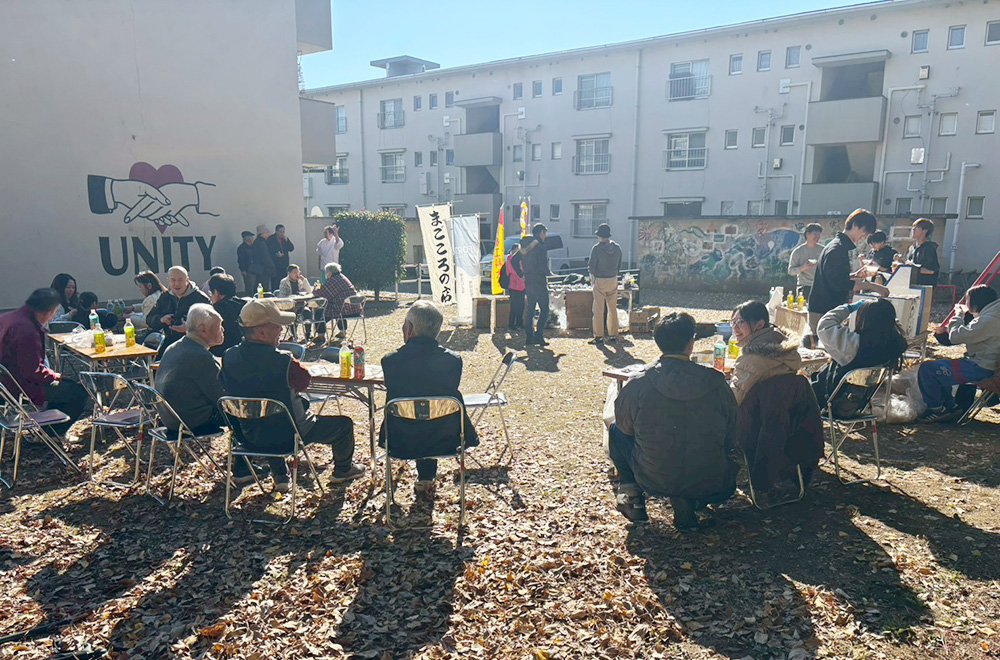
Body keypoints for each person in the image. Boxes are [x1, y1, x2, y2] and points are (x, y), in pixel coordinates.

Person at [219, 298, 365, 491]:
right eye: (277, 326)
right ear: (262, 332)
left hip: (250, 436)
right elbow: (304, 381)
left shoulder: (228, 357)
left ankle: (280, 475)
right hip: (292, 434)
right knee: (343, 425)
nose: (281, 330)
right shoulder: (283, 361)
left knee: (267, 419)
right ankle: (343, 469)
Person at [609, 312, 738, 529]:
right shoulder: (716, 382)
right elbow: (732, 433)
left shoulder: (639, 383)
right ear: (691, 343)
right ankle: (690, 497)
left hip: (654, 477)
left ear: (658, 342)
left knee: (615, 429)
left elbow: (625, 427)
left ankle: (632, 495)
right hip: (713, 478)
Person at [379, 301, 479, 495]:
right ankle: (426, 477)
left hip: (400, 437)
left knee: (420, 415)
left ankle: (425, 478)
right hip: (444, 436)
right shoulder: (453, 361)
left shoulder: (390, 361)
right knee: (430, 413)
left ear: (409, 328)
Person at [0, 288, 89, 433]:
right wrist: (55, 376)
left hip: (5, 380)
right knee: (78, 392)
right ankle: (52, 433)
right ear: (49, 312)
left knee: (64, 387)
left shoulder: (8, 317)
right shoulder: (26, 330)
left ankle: (46, 429)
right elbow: (31, 371)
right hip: (17, 384)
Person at [919, 285, 1000, 422]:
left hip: (982, 367)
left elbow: (956, 336)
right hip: (988, 362)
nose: (966, 304)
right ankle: (950, 406)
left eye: (967, 301)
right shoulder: (994, 311)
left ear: (976, 302)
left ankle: (937, 409)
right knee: (941, 367)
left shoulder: (990, 319)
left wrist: (959, 315)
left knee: (928, 370)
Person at [807, 209, 885, 347]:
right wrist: (873, 286)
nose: (865, 236)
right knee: (821, 351)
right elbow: (839, 283)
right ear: (855, 225)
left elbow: (834, 276)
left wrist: (855, 276)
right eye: (865, 231)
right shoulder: (837, 249)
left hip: (825, 305)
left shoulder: (838, 246)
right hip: (823, 308)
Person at [811, 298, 908, 409]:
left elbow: (825, 325)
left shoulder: (854, 344)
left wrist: (849, 308)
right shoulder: (894, 344)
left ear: (864, 319)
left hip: (833, 401)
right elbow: (894, 326)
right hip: (860, 402)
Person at [154, 304, 228, 437]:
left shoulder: (175, 347)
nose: (223, 329)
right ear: (203, 330)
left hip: (169, 419)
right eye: (218, 326)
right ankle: (245, 454)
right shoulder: (200, 356)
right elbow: (221, 397)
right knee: (241, 411)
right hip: (192, 422)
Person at [728, 300, 802, 406]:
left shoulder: (751, 360)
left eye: (740, 322)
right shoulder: (788, 351)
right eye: (732, 322)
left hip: (755, 419)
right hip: (785, 416)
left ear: (760, 324)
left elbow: (733, 400)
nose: (734, 328)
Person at [146, 266, 211, 354]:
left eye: (180, 280)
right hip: (170, 344)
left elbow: (211, 324)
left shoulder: (200, 298)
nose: (176, 284)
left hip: (195, 345)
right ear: (168, 280)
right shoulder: (165, 297)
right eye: (173, 280)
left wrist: (189, 329)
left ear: (187, 280)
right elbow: (149, 319)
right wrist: (161, 319)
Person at [589, 223, 623, 345]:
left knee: (598, 309)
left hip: (600, 280)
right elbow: (619, 265)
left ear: (599, 236)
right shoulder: (617, 248)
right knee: (612, 309)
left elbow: (591, 267)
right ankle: (613, 335)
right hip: (613, 279)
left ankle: (599, 336)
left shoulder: (597, 249)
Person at [313, 262, 361, 344]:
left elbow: (322, 294)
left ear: (329, 273)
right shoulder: (343, 277)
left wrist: (316, 288)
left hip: (344, 311)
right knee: (339, 305)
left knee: (319, 312)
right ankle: (342, 332)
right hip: (355, 309)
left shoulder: (332, 281)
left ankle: (321, 336)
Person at [521, 223, 551, 346]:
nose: (545, 235)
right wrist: (549, 273)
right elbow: (542, 264)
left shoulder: (525, 245)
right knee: (544, 309)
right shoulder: (540, 246)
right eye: (545, 233)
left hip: (528, 281)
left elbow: (516, 259)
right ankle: (539, 336)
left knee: (530, 309)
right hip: (539, 281)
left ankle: (529, 337)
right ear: (541, 233)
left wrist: (522, 273)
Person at [207, 273, 244, 358]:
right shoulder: (244, 304)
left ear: (216, 292)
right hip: (243, 351)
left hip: (221, 354)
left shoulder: (214, 311)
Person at [787, 223, 823, 302]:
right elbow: (791, 271)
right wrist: (803, 268)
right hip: (804, 286)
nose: (817, 237)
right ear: (807, 234)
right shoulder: (798, 251)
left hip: (819, 286)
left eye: (819, 234)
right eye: (815, 234)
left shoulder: (823, 250)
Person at [902, 218, 940, 287]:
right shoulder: (912, 248)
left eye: (917, 227)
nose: (913, 229)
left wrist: (912, 268)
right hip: (910, 285)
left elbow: (931, 271)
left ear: (925, 231)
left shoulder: (929, 248)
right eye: (913, 227)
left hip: (924, 287)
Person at [267, 224, 295, 290]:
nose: (282, 234)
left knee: (284, 282)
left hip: (284, 264)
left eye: (283, 232)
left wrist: (287, 241)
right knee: (275, 282)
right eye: (280, 232)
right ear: (276, 231)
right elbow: (268, 251)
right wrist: (275, 255)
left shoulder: (285, 239)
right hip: (275, 264)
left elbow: (291, 248)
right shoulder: (271, 239)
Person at [504, 243, 525, 330]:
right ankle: (511, 324)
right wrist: (522, 276)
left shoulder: (519, 260)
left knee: (521, 305)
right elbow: (510, 271)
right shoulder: (509, 260)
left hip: (521, 285)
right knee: (514, 306)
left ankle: (519, 323)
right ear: (512, 250)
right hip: (514, 285)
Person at [251, 224, 276, 293]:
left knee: (258, 285)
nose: (268, 233)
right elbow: (265, 257)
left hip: (259, 268)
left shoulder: (257, 242)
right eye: (267, 232)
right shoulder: (261, 243)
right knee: (263, 286)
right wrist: (271, 266)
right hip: (264, 269)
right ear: (262, 234)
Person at [236, 231, 258, 296]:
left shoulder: (253, 247)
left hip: (256, 269)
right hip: (248, 270)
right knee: (249, 287)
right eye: (251, 237)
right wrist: (243, 270)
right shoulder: (242, 248)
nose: (252, 238)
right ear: (246, 238)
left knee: (256, 287)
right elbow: (241, 260)